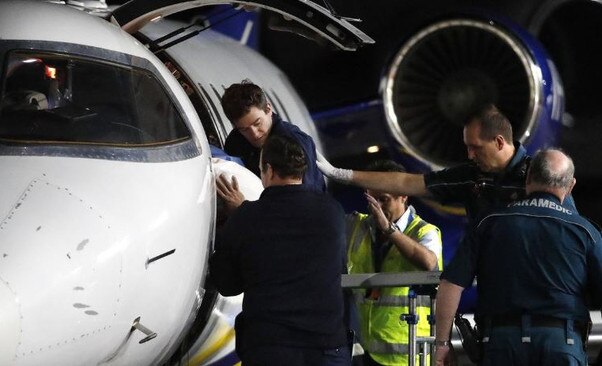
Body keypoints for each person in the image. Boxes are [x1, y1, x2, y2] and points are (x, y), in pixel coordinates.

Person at [433, 149, 602, 366]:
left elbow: (451, 285)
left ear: (528, 178)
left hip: (501, 343)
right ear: (570, 186)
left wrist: (442, 344)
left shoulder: (489, 222)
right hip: (562, 345)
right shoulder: (585, 231)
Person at [210, 134, 351, 366]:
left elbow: (226, 284)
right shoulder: (332, 211)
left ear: (268, 170)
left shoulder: (246, 218)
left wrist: (231, 223)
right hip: (328, 347)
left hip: (271, 348)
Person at [317, 104, 575, 224]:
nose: (470, 155)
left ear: (498, 141)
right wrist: (341, 174)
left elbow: (571, 233)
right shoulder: (469, 177)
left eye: (475, 147)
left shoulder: (542, 176)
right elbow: (407, 182)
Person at [347, 160, 443, 366]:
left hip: (408, 353)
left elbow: (428, 262)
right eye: (372, 201)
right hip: (368, 352)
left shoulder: (425, 232)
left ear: (404, 195)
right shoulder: (359, 227)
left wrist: (390, 230)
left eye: (384, 200)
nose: (377, 209)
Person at [221, 79, 326, 192]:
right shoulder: (235, 143)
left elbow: (308, 197)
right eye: (244, 129)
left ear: (268, 109)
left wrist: (245, 207)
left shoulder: (294, 141)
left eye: (257, 123)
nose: (254, 134)